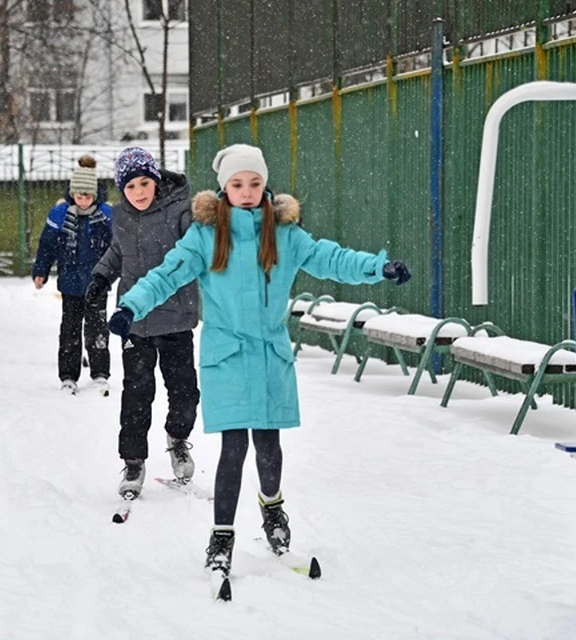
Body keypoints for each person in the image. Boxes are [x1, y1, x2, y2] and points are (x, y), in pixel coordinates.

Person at [106, 143, 411, 578]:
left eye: (254, 183)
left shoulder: (285, 233)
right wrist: (130, 307)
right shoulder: (205, 235)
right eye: (237, 184)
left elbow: (331, 258)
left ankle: (273, 513)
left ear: (264, 185)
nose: (246, 191)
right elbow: (166, 275)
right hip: (226, 355)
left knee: (269, 443)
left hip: (269, 355)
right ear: (224, 187)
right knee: (234, 447)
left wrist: (376, 268)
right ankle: (221, 537)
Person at [87, 147, 201, 494]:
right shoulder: (120, 215)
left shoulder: (182, 210)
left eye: (143, 183)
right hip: (134, 321)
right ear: (122, 190)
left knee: (184, 393)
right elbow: (118, 251)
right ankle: (133, 463)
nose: (138, 192)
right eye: (130, 186)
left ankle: (177, 437)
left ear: (155, 181)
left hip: (177, 316)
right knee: (137, 394)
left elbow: (197, 248)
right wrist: (101, 277)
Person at [32, 155, 113, 396]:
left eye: (88, 196)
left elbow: (117, 248)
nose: (84, 200)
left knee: (97, 329)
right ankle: (68, 375)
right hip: (70, 283)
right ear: (72, 193)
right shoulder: (60, 215)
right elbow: (47, 246)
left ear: (95, 195)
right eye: (79, 195)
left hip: (97, 283)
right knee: (70, 330)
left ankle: (100, 373)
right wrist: (41, 272)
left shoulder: (106, 216)